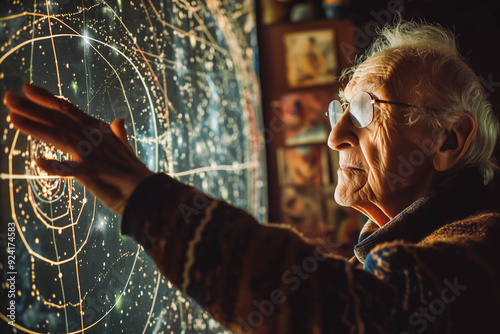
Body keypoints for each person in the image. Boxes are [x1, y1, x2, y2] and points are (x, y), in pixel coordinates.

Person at [4, 19, 500, 333]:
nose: (335, 137)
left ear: (448, 140)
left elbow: (361, 312)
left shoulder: (484, 247)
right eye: (338, 110)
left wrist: (148, 198)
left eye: (368, 108)